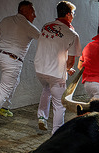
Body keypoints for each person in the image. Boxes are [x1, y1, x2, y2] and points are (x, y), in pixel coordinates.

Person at [0, 1, 40, 134]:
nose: (35, 15)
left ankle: (4, 108)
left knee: (14, 82)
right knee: (4, 90)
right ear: (24, 11)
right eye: (32, 11)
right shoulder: (28, 26)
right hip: (12, 60)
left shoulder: (6, 20)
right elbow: (45, 40)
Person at [34, 1, 81, 134]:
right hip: (55, 74)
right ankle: (56, 134)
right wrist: (66, 69)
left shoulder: (46, 26)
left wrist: (64, 68)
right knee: (60, 104)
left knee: (46, 89)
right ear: (67, 14)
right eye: (73, 13)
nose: (73, 16)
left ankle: (42, 116)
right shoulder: (72, 34)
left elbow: (51, 49)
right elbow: (71, 62)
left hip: (40, 69)